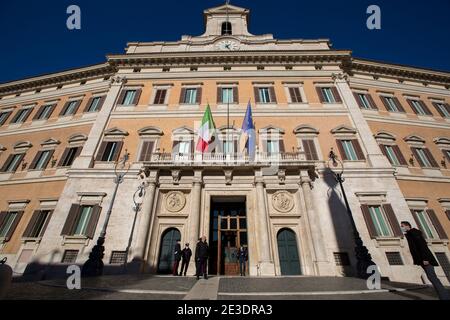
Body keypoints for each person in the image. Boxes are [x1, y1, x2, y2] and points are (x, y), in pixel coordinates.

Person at [401, 221, 450, 300]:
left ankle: (445, 297)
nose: (401, 227)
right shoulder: (410, 234)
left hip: (426, 259)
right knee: (432, 278)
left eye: (402, 226)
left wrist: (425, 259)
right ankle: (444, 296)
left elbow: (422, 246)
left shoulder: (414, 233)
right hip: (422, 260)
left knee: (432, 277)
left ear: (407, 226)